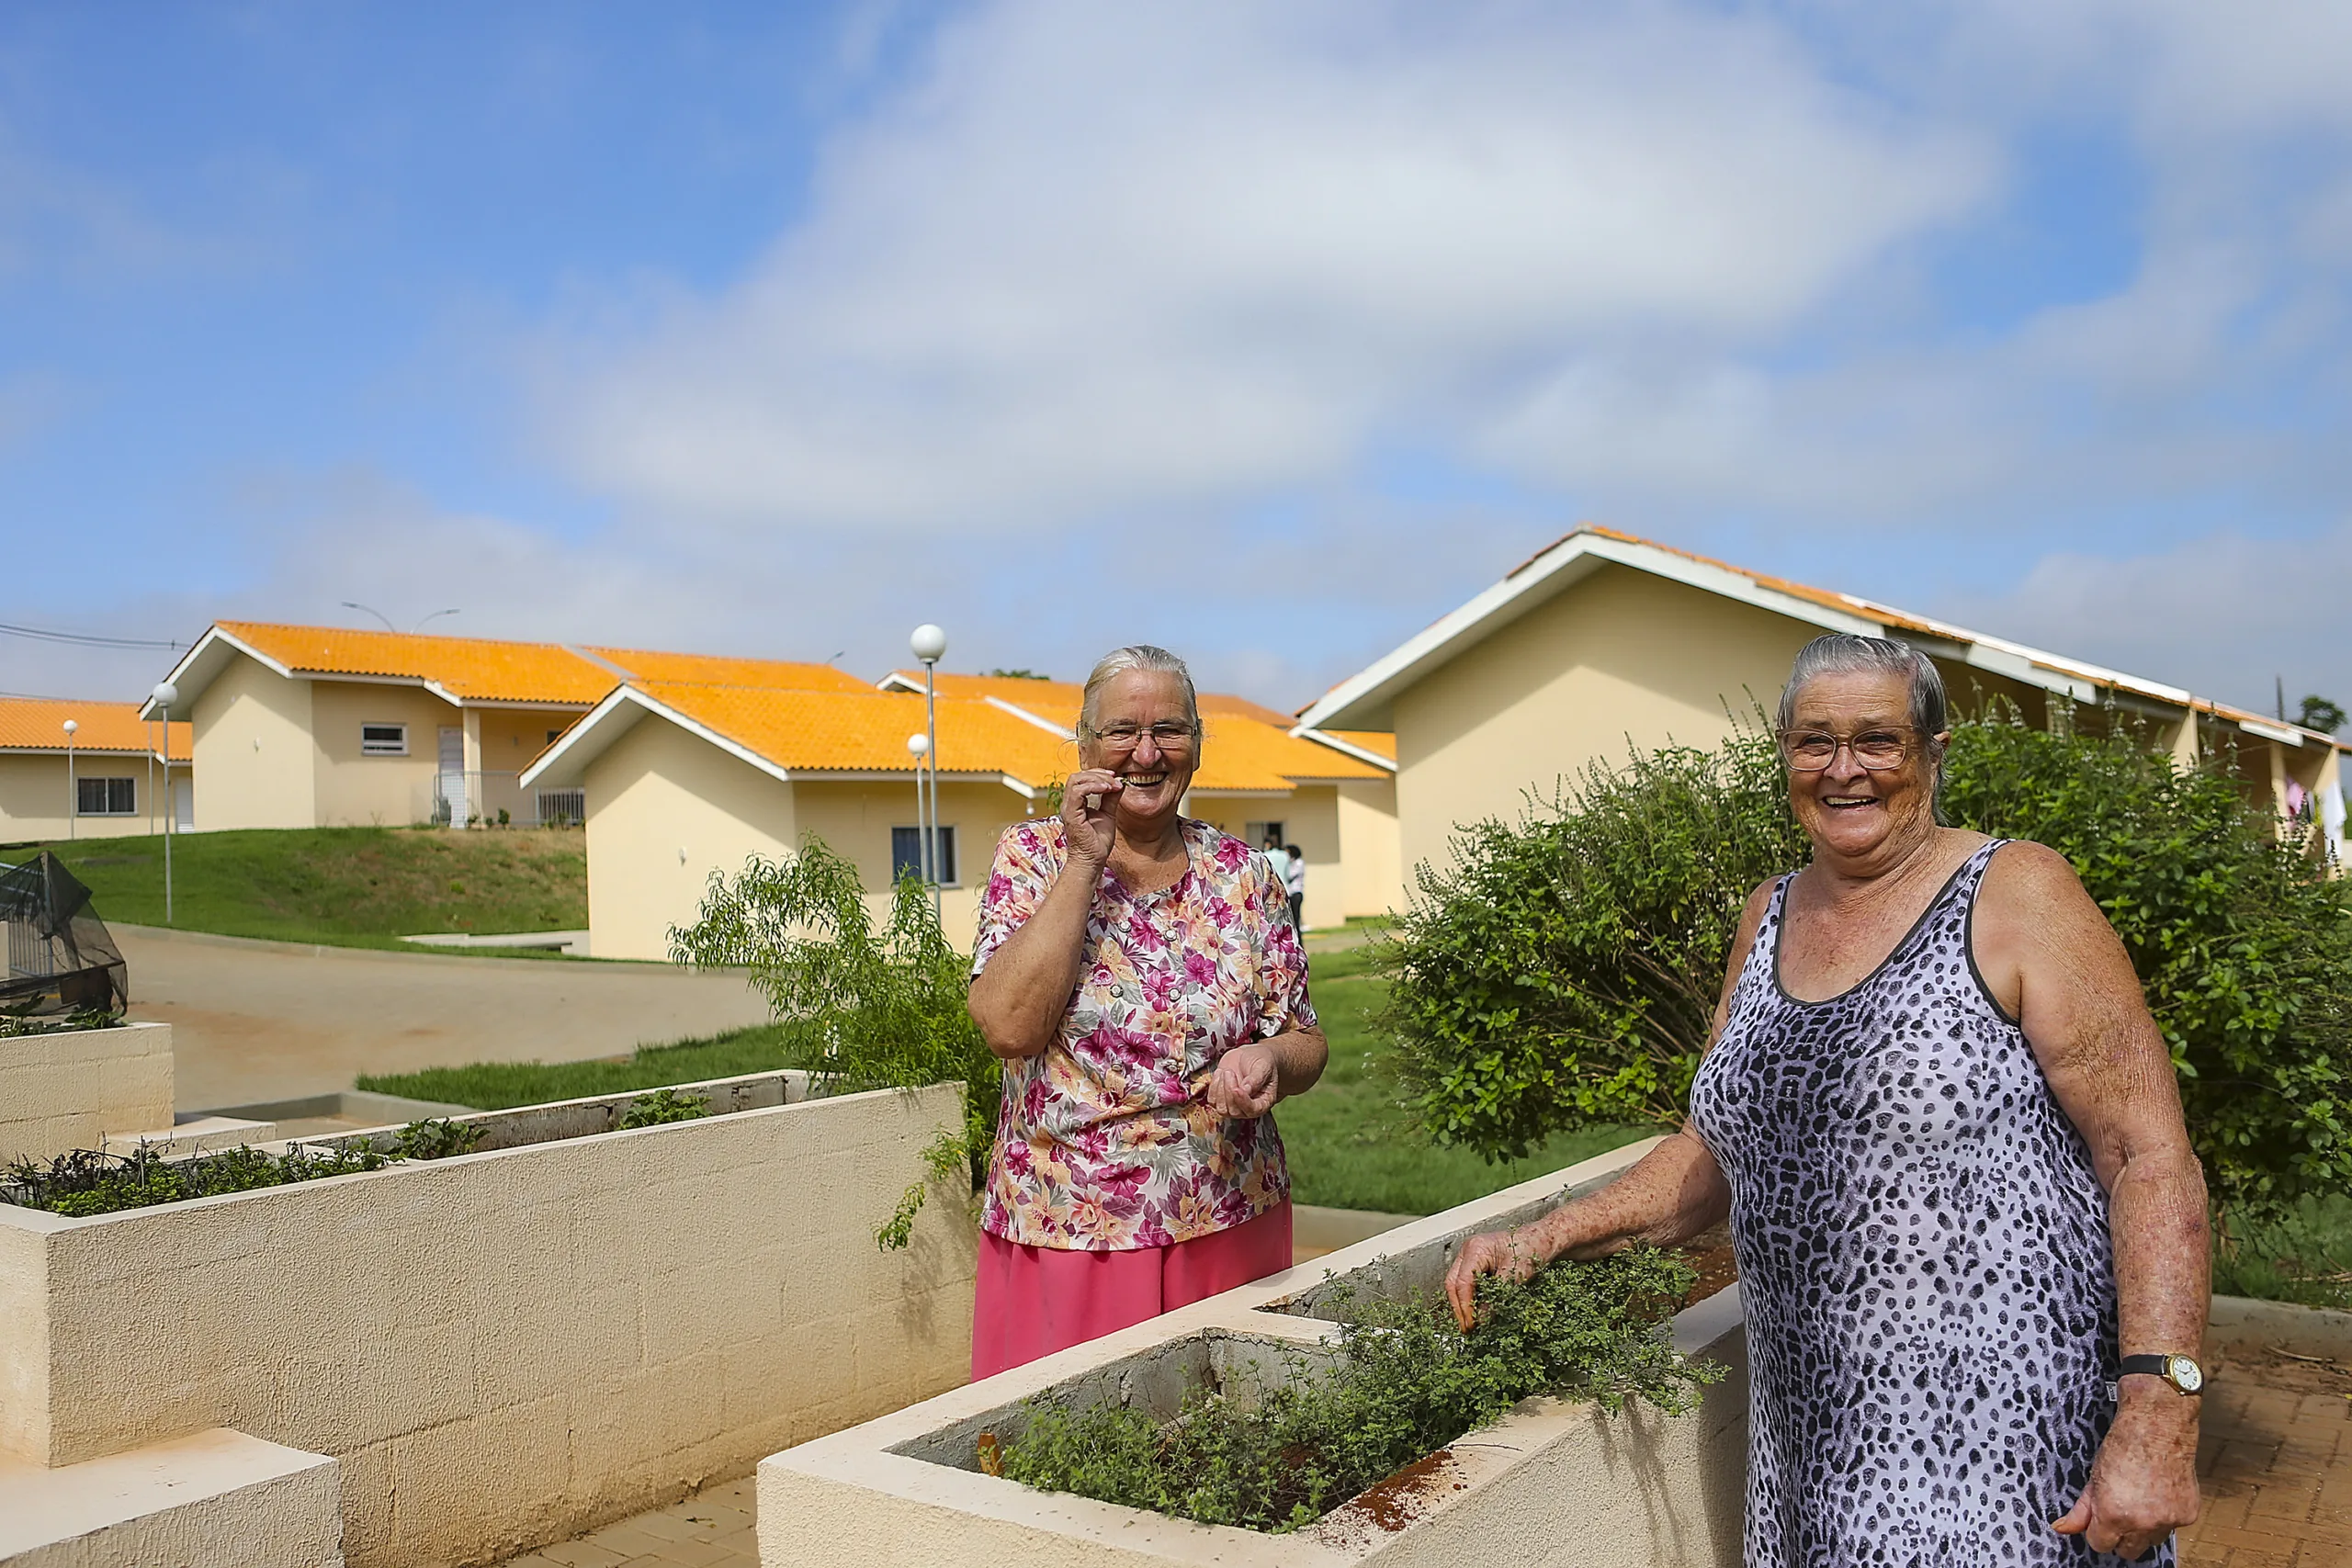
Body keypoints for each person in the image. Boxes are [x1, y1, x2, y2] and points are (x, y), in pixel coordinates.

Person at [1444, 633, 2207, 1565]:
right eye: (1814, 742)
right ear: (1784, 756)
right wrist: (1543, 1237)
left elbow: (2146, 1156)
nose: (1844, 769)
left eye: (1877, 740)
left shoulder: (2017, 894)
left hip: (2010, 1464)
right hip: (1814, 1467)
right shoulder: (1768, 914)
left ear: (1932, 753)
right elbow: (1713, 1151)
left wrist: (2158, 1411)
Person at [965, 644, 1329, 1379]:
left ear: (1196, 741)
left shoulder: (1244, 874)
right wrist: (1083, 860)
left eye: (1170, 728)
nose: (1146, 751)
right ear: (1085, 745)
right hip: (1074, 1232)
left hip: (1230, 1215)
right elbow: (1009, 1027)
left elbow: (1306, 1040)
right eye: (1122, 731)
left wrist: (1268, 1059)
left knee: (1229, 1452)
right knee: (1072, 1458)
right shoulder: (1035, 858)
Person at [1283, 843, 1306, 931]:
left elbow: (1291, 875)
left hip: (1296, 892)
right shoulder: (1291, 863)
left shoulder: (1299, 863)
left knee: (1296, 917)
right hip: (1290, 892)